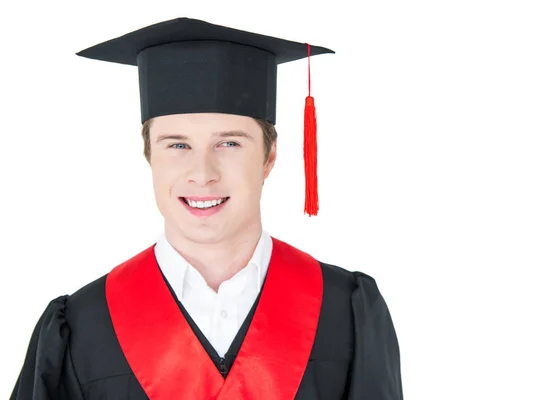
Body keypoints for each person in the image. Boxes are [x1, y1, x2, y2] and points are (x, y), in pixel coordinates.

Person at [10, 17, 403, 399]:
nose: (202, 173)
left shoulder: (344, 312)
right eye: (177, 145)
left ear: (269, 158)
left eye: (229, 143)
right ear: (150, 156)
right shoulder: (82, 325)